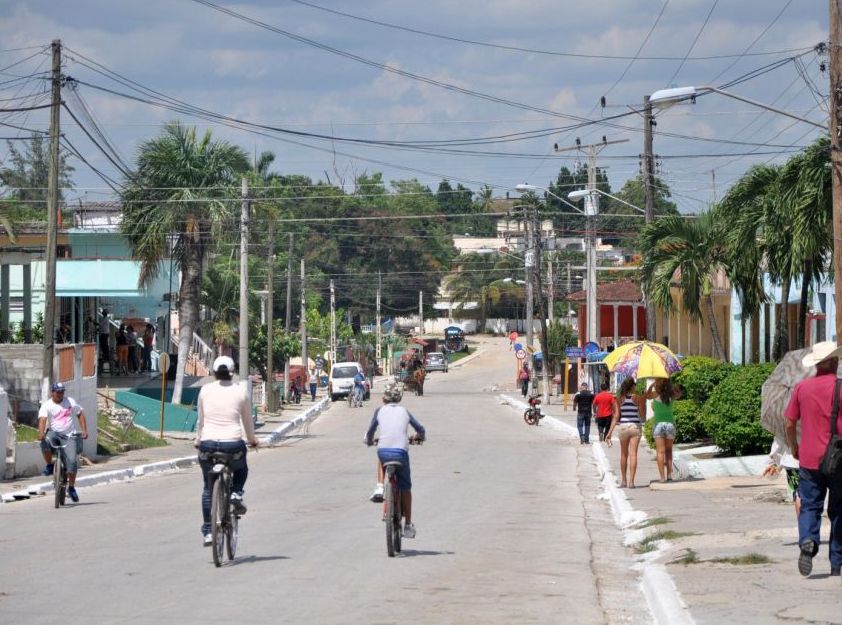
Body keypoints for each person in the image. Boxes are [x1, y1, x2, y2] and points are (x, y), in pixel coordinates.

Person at [784, 341, 842, 578]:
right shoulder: (841, 387)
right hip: (839, 459)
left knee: (810, 505)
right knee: (839, 510)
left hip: (808, 458)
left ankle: (808, 540)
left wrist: (794, 446)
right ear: (834, 362)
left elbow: (789, 422)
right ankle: (836, 564)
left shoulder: (802, 388)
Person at [196, 355, 258, 547]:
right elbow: (248, 422)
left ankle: (208, 531)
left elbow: (201, 419)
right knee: (242, 468)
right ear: (232, 373)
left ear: (214, 373)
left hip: (207, 445)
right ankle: (236, 493)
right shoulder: (241, 392)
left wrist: (199, 439)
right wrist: (252, 440)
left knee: (208, 488)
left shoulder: (205, 391)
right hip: (232, 444)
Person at [365, 380, 426, 538]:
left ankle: (379, 486)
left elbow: (370, 431)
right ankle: (408, 525)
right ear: (399, 398)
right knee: (406, 487)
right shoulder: (404, 411)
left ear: (384, 398)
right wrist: (419, 437)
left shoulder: (379, 411)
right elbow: (420, 429)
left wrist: (370, 440)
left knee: (381, 456)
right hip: (401, 453)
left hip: (384, 451)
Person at [38, 383, 89, 503]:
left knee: (71, 462)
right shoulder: (47, 405)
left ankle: (71, 488)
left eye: (62, 391)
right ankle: (50, 465)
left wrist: (84, 430)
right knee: (44, 441)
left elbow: (80, 414)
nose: (60, 394)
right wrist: (41, 433)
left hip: (69, 435)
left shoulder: (70, 402)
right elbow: (42, 420)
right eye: (58, 392)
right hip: (54, 433)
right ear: (52, 392)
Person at [605, 377, 645, 488]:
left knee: (623, 454)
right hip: (635, 426)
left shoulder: (619, 398)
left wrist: (610, 432)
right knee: (633, 455)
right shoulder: (638, 398)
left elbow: (616, 416)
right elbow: (642, 415)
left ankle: (623, 481)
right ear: (632, 386)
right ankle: (631, 482)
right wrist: (643, 403)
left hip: (623, 427)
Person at [647, 378, 680, 483]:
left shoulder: (655, 394)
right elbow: (679, 393)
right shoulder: (672, 395)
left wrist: (651, 386)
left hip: (658, 425)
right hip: (670, 424)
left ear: (658, 385)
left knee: (660, 452)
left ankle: (662, 478)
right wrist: (673, 387)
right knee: (669, 451)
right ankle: (669, 476)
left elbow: (646, 396)